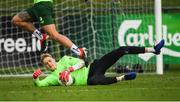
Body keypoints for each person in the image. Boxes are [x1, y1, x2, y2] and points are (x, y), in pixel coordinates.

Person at [32, 39, 165, 87]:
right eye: (46, 64)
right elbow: (40, 84)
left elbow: (83, 63)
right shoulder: (52, 78)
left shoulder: (65, 60)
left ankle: (153, 49)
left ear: (53, 59)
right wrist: (36, 78)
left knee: (120, 50)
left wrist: (69, 70)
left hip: (94, 67)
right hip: (90, 79)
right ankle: (122, 78)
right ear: (45, 67)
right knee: (95, 81)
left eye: (49, 60)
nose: (49, 64)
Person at [11, 0, 86, 58]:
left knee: (54, 35)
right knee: (16, 20)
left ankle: (79, 51)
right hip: (37, 6)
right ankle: (41, 36)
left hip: (43, 5)